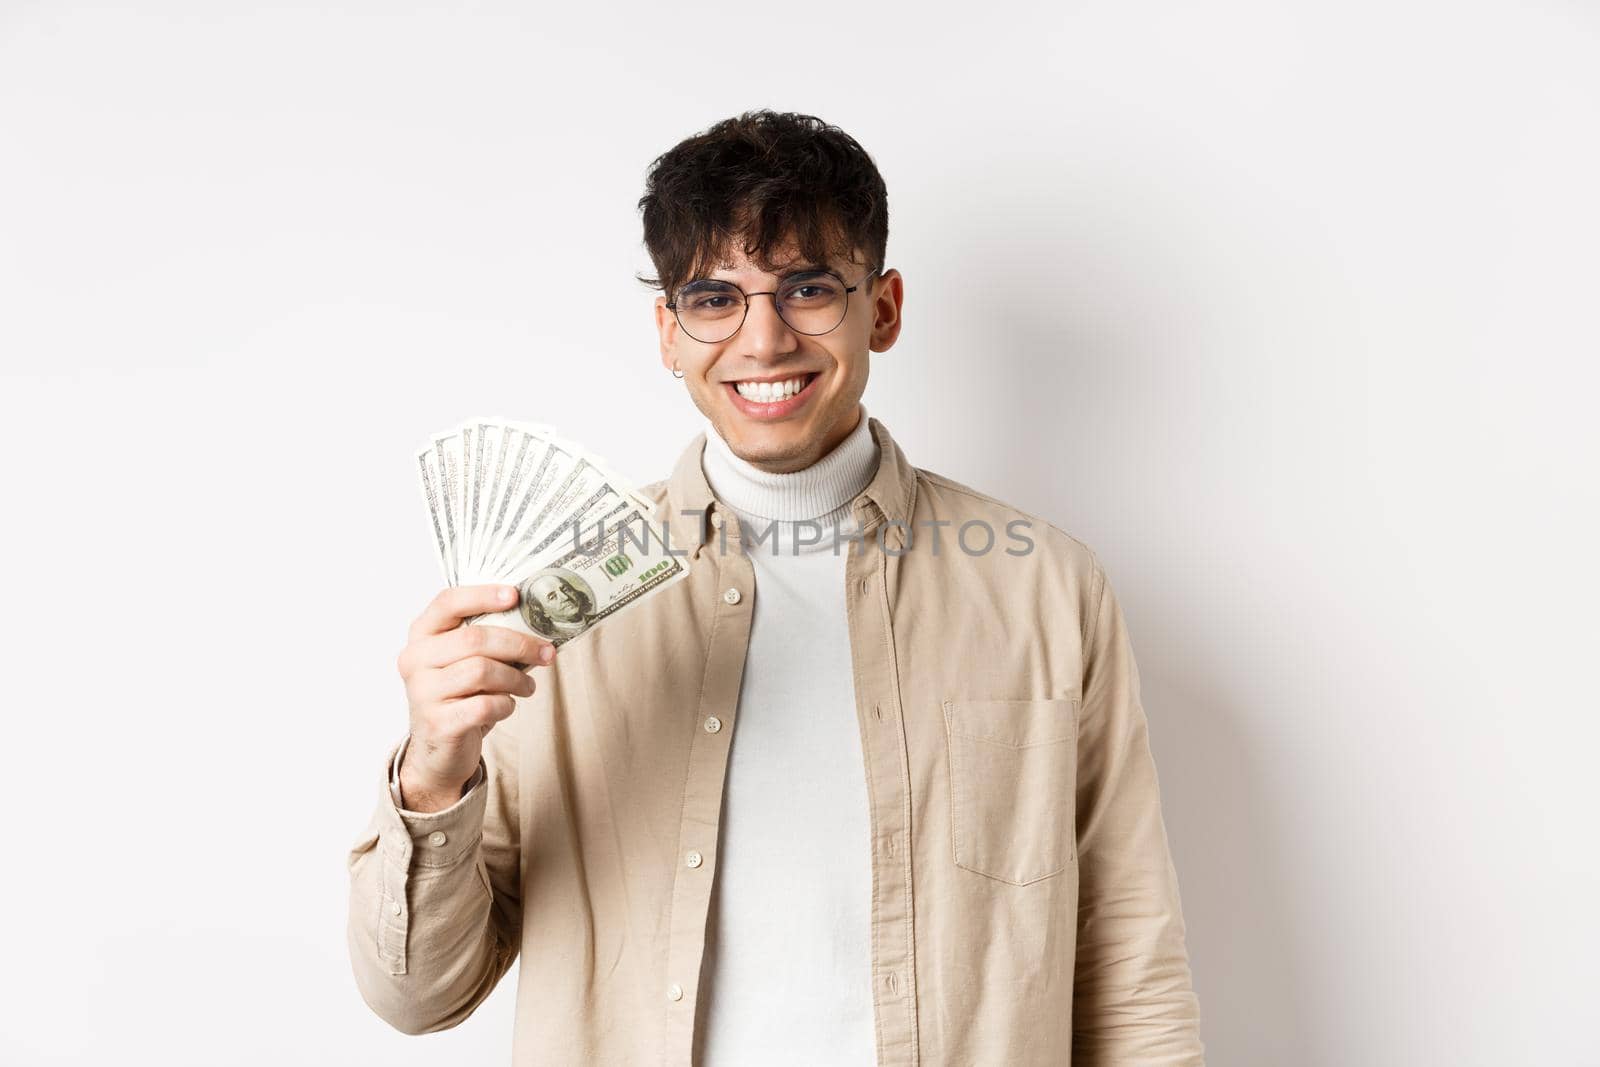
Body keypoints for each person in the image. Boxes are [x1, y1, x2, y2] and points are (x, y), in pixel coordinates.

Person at [347, 109, 1205, 1065]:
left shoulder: (1046, 586)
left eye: (806, 288)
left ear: (882, 307)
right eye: (714, 297)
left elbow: (1130, 968)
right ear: (668, 332)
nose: (762, 340)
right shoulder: (558, 602)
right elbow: (421, 995)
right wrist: (434, 769)